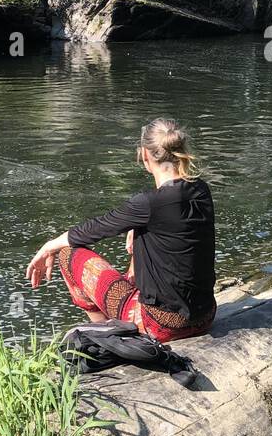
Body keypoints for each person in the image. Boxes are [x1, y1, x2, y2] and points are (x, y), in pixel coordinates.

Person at [25, 118, 216, 343]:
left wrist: (49, 246)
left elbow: (92, 229)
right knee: (139, 232)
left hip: (160, 325)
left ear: (145, 154)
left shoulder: (147, 204)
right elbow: (172, 225)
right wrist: (137, 226)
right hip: (205, 316)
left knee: (68, 255)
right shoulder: (201, 190)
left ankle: (108, 333)